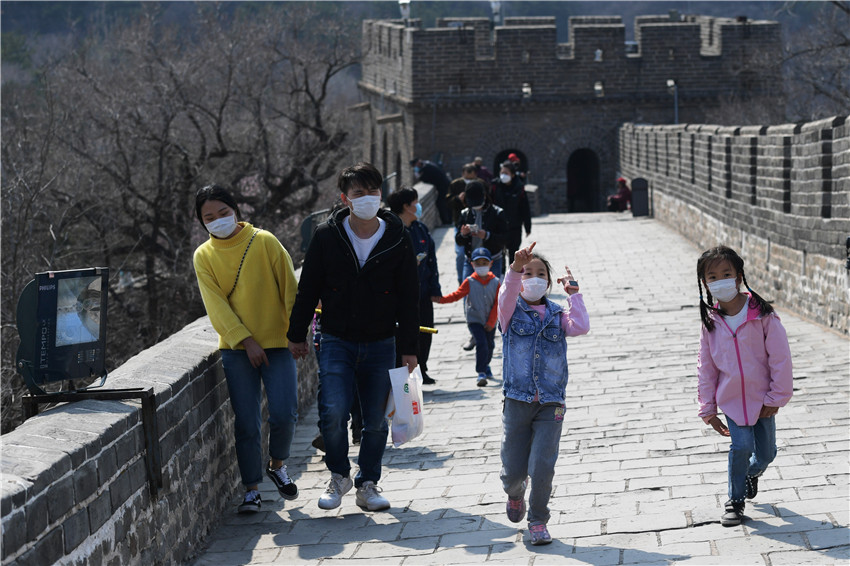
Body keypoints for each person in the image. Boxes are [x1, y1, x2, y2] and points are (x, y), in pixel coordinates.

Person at [287, 162, 419, 512]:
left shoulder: (396, 236)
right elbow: (308, 287)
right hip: (336, 339)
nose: (367, 198)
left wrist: (409, 348)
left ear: (381, 195)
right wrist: (296, 333)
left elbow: (409, 295)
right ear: (345, 199)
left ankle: (368, 483)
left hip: (381, 341)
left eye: (373, 191)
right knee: (333, 411)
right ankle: (339, 475)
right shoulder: (327, 235)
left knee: (375, 419)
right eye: (359, 193)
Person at [192, 184, 299, 514]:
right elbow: (217, 307)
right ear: (202, 222)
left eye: (223, 213)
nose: (218, 220)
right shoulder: (204, 256)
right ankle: (251, 488)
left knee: (284, 413)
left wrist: (298, 333)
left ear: (235, 210)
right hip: (237, 350)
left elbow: (291, 289)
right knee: (247, 422)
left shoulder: (264, 241)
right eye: (209, 217)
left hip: (279, 344)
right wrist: (245, 340)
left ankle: (277, 464)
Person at [498, 242, 589, 545]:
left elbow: (581, 327)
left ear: (549, 283)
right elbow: (506, 293)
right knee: (512, 471)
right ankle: (514, 493)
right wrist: (513, 268)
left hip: (551, 402)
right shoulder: (509, 312)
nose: (533, 278)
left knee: (542, 466)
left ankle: (538, 520)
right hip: (517, 401)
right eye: (527, 273)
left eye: (540, 274)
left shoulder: (557, 314)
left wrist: (574, 296)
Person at [696, 245, 793, 527]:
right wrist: (707, 409)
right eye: (712, 276)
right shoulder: (710, 322)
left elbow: (780, 358)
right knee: (740, 446)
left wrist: (776, 397)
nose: (720, 280)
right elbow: (706, 367)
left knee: (766, 454)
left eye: (726, 273)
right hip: (731, 401)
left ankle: (752, 473)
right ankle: (735, 501)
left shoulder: (763, 315)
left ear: (738, 277)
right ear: (705, 283)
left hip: (763, 399)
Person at [387, 187, 442, 385]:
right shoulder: (391, 231)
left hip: (423, 292)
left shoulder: (420, 229)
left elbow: (432, 260)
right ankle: (403, 371)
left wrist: (435, 289)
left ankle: (422, 367)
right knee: (404, 333)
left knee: (425, 331)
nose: (418, 206)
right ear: (406, 206)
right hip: (400, 295)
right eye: (415, 202)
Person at [434, 247, 500, 387]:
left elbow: (498, 304)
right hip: (474, 319)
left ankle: (485, 365)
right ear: (472, 265)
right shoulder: (469, 281)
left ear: (490, 264)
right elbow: (457, 295)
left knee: (490, 346)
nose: (481, 266)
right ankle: (481, 372)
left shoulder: (496, 282)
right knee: (481, 343)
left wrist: (491, 322)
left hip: (491, 321)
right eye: (478, 263)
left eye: (484, 263)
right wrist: (441, 300)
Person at [456, 180, 508, 351]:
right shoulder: (465, 213)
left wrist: (487, 235)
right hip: (471, 261)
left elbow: (504, 239)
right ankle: (475, 333)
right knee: (469, 296)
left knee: (491, 298)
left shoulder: (498, 213)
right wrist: (463, 234)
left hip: (492, 259)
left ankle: (489, 333)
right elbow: (458, 240)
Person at [448, 164, 487, 284]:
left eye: (471, 177)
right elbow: (447, 202)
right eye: (467, 176)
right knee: (460, 254)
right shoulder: (455, 184)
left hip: (480, 221)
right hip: (461, 222)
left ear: (475, 174)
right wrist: (458, 199)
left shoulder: (481, 183)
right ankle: (462, 281)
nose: (469, 179)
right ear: (463, 173)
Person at [491, 161, 531, 265]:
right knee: (499, 253)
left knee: (513, 253)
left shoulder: (519, 187)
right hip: (498, 226)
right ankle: (502, 275)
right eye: (502, 172)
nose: (503, 175)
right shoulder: (495, 186)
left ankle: (513, 275)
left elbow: (525, 208)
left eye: (506, 173)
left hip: (514, 226)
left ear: (513, 174)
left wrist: (527, 226)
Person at [410, 157, 452, 225]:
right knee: (444, 202)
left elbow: (425, 178)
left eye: (414, 166)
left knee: (441, 203)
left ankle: (446, 221)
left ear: (418, 163)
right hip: (443, 185)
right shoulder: (427, 164)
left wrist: (418, 176)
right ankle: (448, 220)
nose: (415, 168)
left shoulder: (427, 167)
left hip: (443, 186)